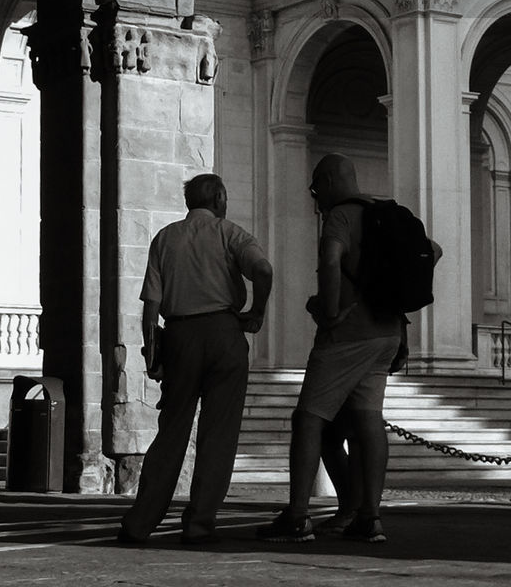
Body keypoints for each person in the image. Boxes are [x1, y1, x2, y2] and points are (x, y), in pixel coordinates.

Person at [258, 152, 439, 545]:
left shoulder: (339, 216)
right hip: (386, 333)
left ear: (325, 182)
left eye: (314, 189)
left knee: (308, 419)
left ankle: (297, 516)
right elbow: (434, 251)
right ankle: (367, 517)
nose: (315, 199)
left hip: (348, 335)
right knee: (368, 420)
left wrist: (329, 310)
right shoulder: (388, 212)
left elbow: (331, 260)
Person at [118, 173, 274, 546]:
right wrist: (257, 311)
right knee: (218, 436)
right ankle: (200, 522)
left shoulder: (165, 238)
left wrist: (153, 354)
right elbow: (264, 270)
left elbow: (151, 306)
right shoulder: (230, 233)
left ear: (190, 201)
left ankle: (141, 522)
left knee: (171, 432)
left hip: (181, 337)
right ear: (220, 197)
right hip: (224, 334)